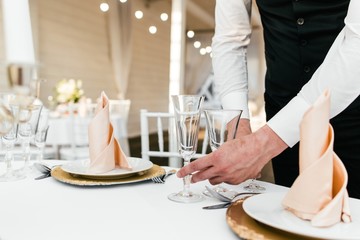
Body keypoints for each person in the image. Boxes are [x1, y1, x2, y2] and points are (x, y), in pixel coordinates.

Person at [177, 0, 360, 199]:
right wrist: (239, 127)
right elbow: (229, 40)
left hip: (352, 112)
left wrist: (261, 145)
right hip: (281, 107)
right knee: (290, 206)